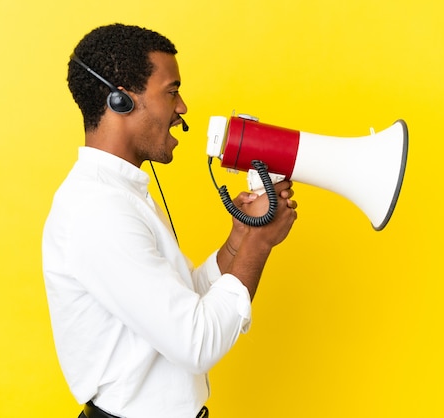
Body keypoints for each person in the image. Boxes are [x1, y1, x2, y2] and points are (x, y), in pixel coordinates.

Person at [42, 23, 298, 418]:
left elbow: (183, 304)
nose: (182, 108)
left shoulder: (120, 195)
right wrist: (259, 245)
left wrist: (240, 239)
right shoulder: (98, 210)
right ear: (121, 100)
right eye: (172, 90)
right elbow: (196, 342)